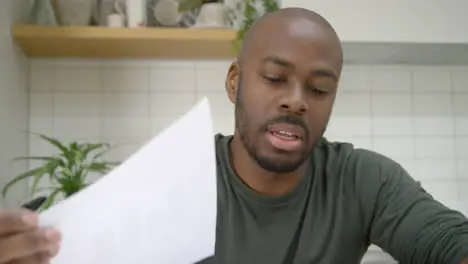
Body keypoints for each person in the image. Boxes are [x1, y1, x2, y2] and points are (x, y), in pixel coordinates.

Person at [1, 7, 467, 264]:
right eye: (274, 77)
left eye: (319, 88)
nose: (297, 100)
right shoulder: (175, 176)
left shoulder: (364, 179)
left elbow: (448, 242)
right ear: (234, 82)